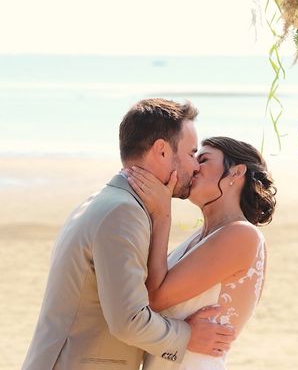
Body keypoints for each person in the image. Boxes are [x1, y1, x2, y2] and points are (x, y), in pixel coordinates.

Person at [22, 99, 236, 369]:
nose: (195, 166)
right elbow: (128, 320)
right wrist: (189, 336)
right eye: (191, 153)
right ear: (161, 151)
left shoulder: (109, 201)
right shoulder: (123, 213)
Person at [127, 136, 276, 369]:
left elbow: (153, 298)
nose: (193, 167)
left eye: (203, 159)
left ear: (237, 173)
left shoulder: (241, 236)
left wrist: (162, 214)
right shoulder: (200, 237)